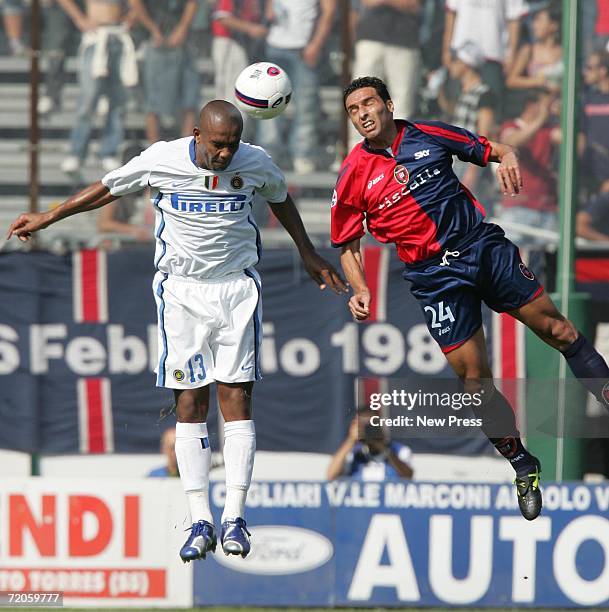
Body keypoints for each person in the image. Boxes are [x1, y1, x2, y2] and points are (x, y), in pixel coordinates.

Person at [8, 99, 347, 561]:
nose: (225, 155)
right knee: (189, 401)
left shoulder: (255, 161)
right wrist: (49, 216)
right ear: (196, 134)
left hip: (236, 289)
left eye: (231, 145)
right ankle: (199, 520)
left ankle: (235, 517)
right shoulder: (162, 159)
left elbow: (280, 197)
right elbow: (109, 188)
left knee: (236, 397)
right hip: (181, 292)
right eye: (217, 145)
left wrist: (307, 251)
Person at [332, 76, 609, 521]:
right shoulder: (351, 176)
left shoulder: (427, 134)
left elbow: (494, 148)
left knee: (559, 330)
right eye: (353, 110)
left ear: (388, 103)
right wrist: (360, 287)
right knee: (475, 383)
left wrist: (508, 156)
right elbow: (346, 244)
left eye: (369, 103)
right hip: (433, 278)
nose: (363, 114)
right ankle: (522, 462)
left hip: (481, 249)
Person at [58, 0, 140, 174]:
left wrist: (133, 15)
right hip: (96, 36)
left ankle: (109, 150)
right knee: (88, 99)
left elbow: (135, 4)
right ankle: (76, 152)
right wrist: (79, 17)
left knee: (118, 101)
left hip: (118, 34)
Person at [257, 0, 336, 174]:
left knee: (305, 106)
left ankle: (303, 154)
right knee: (269, 104)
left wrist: (316, 44)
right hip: (274, 46)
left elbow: (329, 10)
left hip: (303, 48)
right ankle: (267, 153)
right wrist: (270, 9)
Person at [349, 0, 421, 149]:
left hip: (404, 40)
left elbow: (415, 5)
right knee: (360, 97)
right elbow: (363, 4)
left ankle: (397, 154)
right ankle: (358, 154)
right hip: (369, 37)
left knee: (402, 101)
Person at [131, 0, 200, 144]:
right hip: (153, 41)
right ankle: (154, 149)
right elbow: (135, 3)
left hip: (184, 42)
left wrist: (182, 27)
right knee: (152, 102)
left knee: (189, 98)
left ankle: (186, 150)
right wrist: (152, 28)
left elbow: (192, 3)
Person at [498, 88, 559, 247]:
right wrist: (541, 118)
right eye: (546, 103)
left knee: (545, 265)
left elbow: (576, 143)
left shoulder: (548, 130)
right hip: (517, 208)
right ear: (531, 105)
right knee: (509, 262)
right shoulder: (510, 126)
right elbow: (513, 141)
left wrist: (564, 114)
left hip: (546, 209)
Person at [442, 40, 496, 193]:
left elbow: (484, 135)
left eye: (455, 61)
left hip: (469, 166)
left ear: (466, 64)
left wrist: (473, 171)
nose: (451, 65)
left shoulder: (484, 94)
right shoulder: (463, 93)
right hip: (456, 163)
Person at [211, 0, 267, 141]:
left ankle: (238, 140)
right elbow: (222, 17)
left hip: (245, 44)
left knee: (244, 96)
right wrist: (251, 28)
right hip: (229, 43)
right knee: (230, 98)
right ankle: (226, 140)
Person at [326, 410, 414, 481]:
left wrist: (382, 446)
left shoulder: (399, 451)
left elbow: (408, 476)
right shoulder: (352, 453)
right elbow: (331, 476)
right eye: (363, 425)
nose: (368, 430)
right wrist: (351, 440)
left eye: (372, 425)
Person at [506, 4, 563, 95]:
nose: (534, 25)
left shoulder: (563, 52)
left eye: (539, 21)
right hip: (535, 104)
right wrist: (535, 82)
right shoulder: (529, 50)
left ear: (553, 25)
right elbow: (511, 80)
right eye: (534, 21)